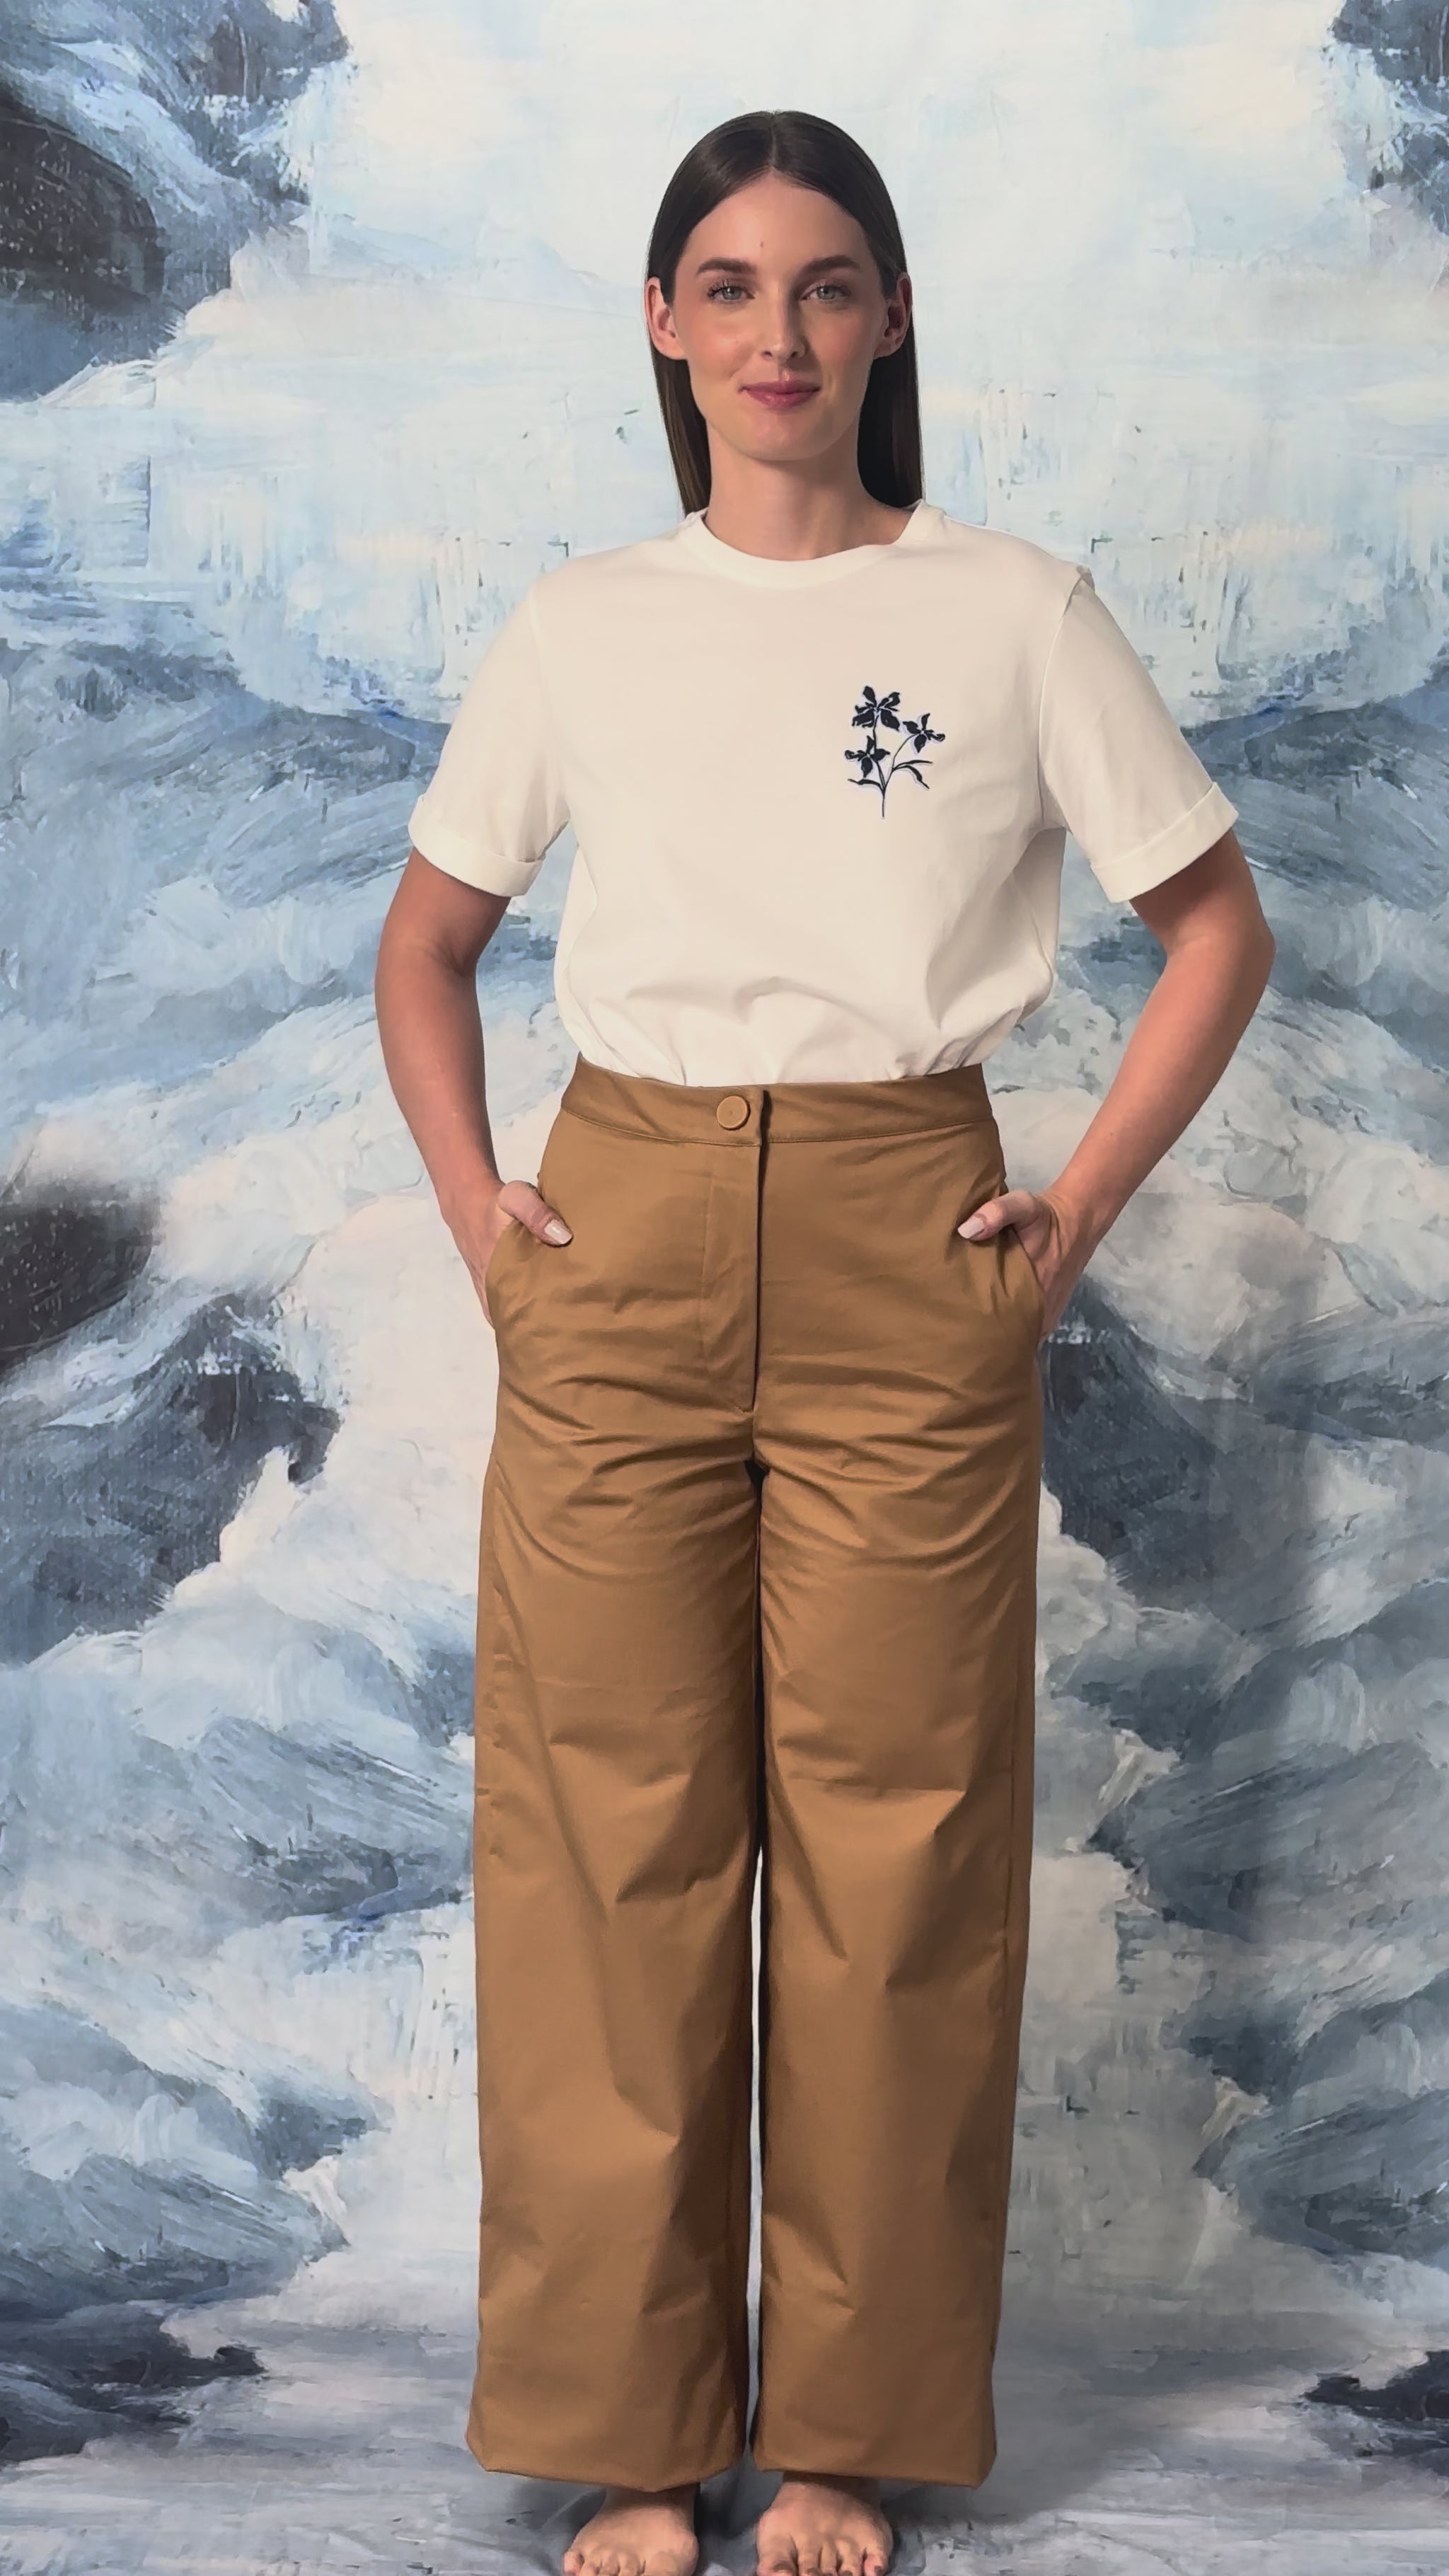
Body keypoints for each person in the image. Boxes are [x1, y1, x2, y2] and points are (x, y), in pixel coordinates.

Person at [374, 107, 1274, 2576]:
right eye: (732, 287)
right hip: (623, 1234)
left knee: (901, 1840)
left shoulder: (1014, 611)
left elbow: (1215, 924)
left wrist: (1072, 1211)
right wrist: (483, 1219)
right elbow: (427, 944)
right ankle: (632, 2437)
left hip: (911, 1238)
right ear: (665, 327)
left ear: (889, 321)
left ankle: (850, 2431)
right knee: (607, 1836)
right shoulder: (583, 625)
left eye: (828, 284)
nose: (780, 333)